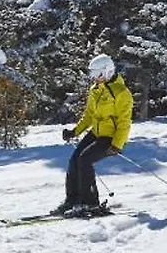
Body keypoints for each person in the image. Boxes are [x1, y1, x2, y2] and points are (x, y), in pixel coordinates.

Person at [54, 54, 133, 216]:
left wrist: (117, 144)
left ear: (107, 72)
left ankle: (90, 203)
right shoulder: (95, 90)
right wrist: (74, 132)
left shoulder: (121, 93)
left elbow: (125, 122)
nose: (94, 78)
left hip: (110, 137)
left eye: (96, 74)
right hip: (96, 133)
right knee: (74, 159)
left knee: (85, 159)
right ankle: (72, 200)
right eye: (92, 74)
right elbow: (89, 115)